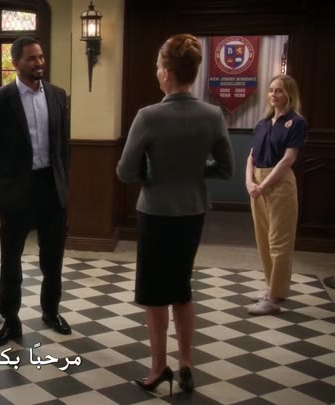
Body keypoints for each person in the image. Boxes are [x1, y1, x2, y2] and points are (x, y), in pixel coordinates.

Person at [116, 34, 234, 394]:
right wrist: (194, 169)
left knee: (154, 294)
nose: (156, 71)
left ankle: (158, 368)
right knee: (182, 288)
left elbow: (125, 171)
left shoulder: (148, 116)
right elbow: (226, 169)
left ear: (167, 73)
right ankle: (186, 364)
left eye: (157, 66)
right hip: (193, 210)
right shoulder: (213, 115)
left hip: (155, 211)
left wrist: (153, 172)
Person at [0, 36, 71, 348]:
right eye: (32, 58)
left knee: (53, 257)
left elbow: (63, 145)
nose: (39, 63)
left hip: (51, 186)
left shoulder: (57, 95)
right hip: (16, 189)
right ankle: (11, 321)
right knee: (11, 260)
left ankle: (51, 312)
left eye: (41, 57)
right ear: (16, 62)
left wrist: (65, 182)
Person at [245, 74, 307, 316]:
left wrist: (263, 185)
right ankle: (273, 287)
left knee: (279, 241)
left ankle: (273, 299)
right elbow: (251, 157)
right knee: (263, 238)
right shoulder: (263, 123)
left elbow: (288, 159)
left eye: (279, 90)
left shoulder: (296, 122)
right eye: (271, 90)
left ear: (289, 94)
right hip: (258, 183)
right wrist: (250, 182)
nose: (274, 95)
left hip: (279, 183)